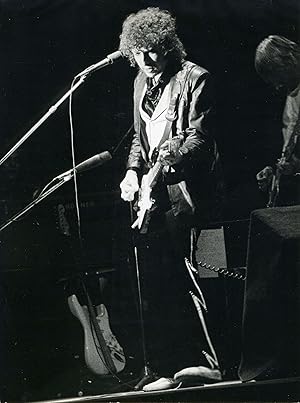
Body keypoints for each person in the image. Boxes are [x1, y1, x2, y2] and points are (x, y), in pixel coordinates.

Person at [118, 7, 222, 389]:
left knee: (193, 275)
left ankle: (213, 362)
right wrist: (132, 171)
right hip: (153, 195)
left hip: (188, 193)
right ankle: (167, 367)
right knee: (157, 281)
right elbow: (138, 139)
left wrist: (177, 152)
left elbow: (201, 136)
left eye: (153, 51)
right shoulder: (139, 83)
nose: (146, 60)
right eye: (139, 52)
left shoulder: (195, 78)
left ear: (168, 46)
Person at [255, 35, 300, 206]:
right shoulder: (290, 94)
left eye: (277, 76)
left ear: (290, 61)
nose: (277, 86)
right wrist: (274, 173)